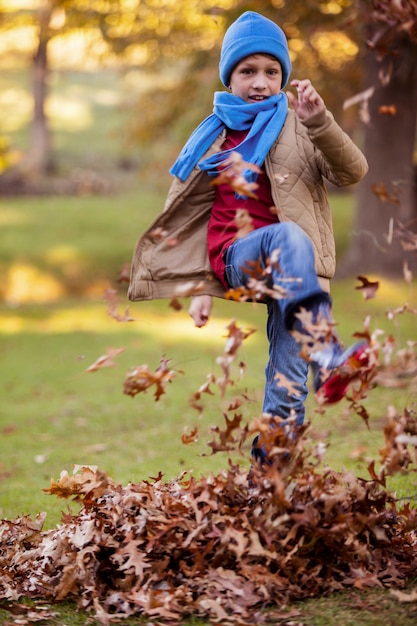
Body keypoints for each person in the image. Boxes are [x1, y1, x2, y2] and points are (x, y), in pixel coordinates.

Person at [128, 11, 369, 464]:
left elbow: (352, 172)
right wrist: (200, 286)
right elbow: (186, 210)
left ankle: (267, 490)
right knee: (289, 238)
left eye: (271, 72)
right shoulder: (212, 135)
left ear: (283, 76)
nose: (260, 82)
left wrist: (321, 123)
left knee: (287, 387)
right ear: (230, 76)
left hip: (300, 279)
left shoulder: (301, 127)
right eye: (248, 71)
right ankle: (327, 350)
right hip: (239, 258)